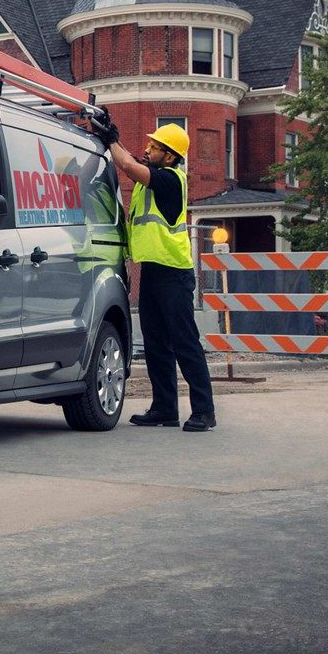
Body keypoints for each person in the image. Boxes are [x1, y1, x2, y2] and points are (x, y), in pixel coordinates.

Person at [81, 117, 216, 432]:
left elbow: (128, 165)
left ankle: (204, 412)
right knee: (155, 342)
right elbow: (131, 159)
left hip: (174, 271)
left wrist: (111, 137)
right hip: (154, 271)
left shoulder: (170, 179)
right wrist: (111, 135)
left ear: (169, 156)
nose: (147, 149)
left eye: (154, 147)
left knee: (185, 343)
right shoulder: (155, 174)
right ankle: (165, 408)